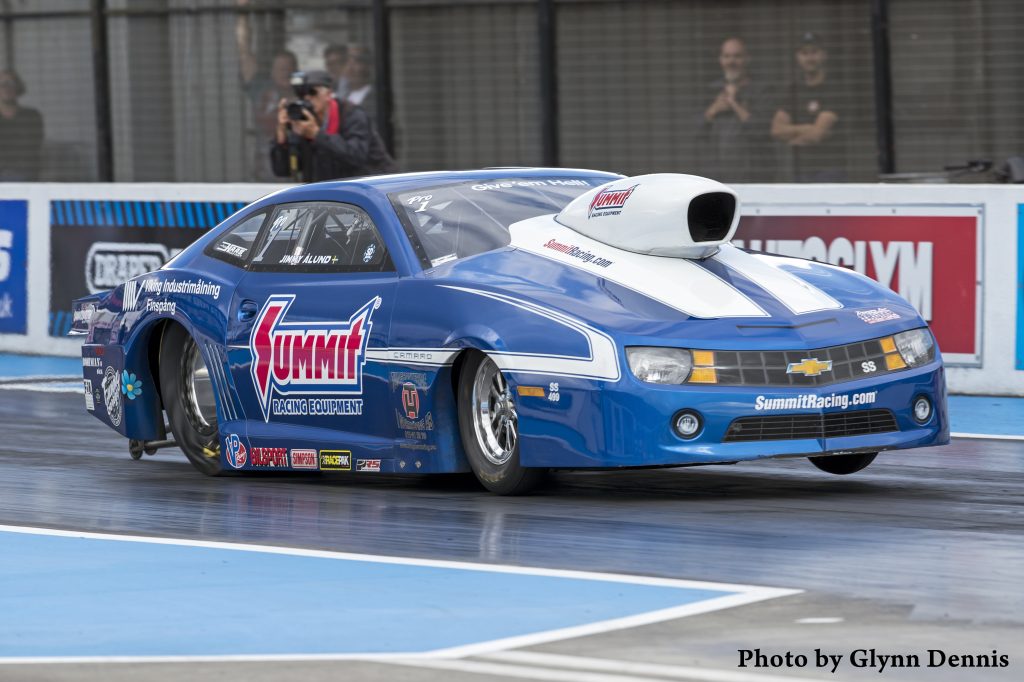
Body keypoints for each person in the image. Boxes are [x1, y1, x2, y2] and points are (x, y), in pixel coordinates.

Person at [270, 70, 394, 182]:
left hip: (372, 189)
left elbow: (355, 156)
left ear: (328, 94)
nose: (307, 98)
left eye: (312, 92)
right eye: (301, 94)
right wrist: (281, 137)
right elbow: (283, 170)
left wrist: (317, 135)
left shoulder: (351, 114)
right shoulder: (303, 123)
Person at [771, 32, 845, 181]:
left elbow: (817, 135)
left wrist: (793, 136)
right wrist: (807, 128)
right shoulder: (793, 91)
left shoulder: (834, 89)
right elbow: (776, 130)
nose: (809, 58)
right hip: (799, 171)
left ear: (824, 55)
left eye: (814, 52)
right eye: (804, 53)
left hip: (829, 171)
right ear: (798, 57)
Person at [699, 38, 771, 182]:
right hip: (716, 177)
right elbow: (694, 130)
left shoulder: (761, 90)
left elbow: (763, 130)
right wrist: (713, 110)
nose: (731, 61)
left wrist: (734, 103)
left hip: (754, 176)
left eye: (737, 56)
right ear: (720, 60)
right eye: (727, 56)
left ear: (747, 59)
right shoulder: (710, 90)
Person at [0, 69, 44, 181]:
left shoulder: (31, 116)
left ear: (18, 87)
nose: (6, 88)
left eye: (11, 83)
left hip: (24, 174)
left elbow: (32, 148)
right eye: (3, 84)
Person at [342, 44, 375, 122]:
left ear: (367, 65)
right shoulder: (343, 96)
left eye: (357, 61)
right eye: (347, 61)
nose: (350, 67)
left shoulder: (377, 97)